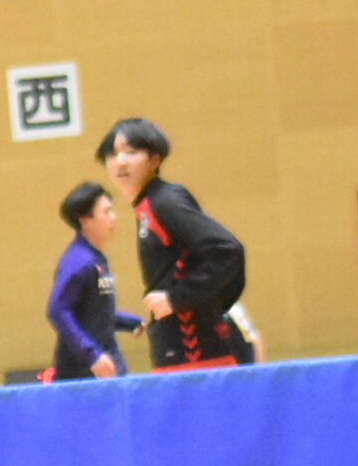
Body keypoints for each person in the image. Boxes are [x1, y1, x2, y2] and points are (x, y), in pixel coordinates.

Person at [96, 118, 247, 369]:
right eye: (112, 154)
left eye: (131, 152)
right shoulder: (146, 206)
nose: (120, 161)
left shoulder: (165, 201)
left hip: (198, 354)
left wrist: (178, 299)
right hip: (176, 349)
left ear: (154, 159)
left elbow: (227, 251)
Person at [46, 182, 139, 380]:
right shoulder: (79, 262)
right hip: (82, 372)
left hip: (107, 362)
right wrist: (91, 354)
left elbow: (94, 311)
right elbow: (58, 310)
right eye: (106, 211)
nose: (114, 217)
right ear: (85, 220)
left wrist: (132, 323)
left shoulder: (96, 258)